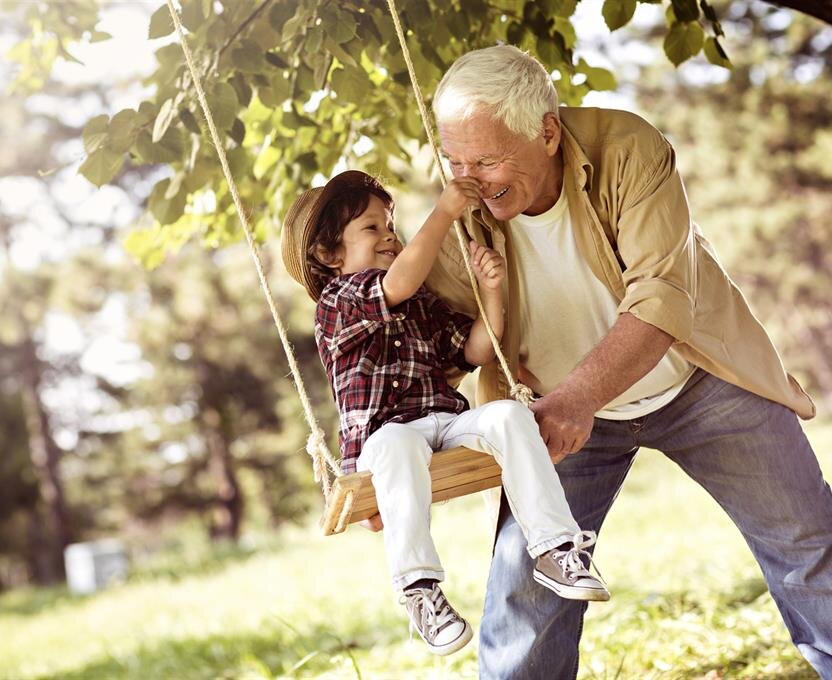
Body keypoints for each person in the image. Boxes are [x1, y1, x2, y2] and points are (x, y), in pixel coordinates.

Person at [421, 43, 832, 679]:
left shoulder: (629, 149)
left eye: (489, 159)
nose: (469, 178)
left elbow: (663, 298)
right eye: (455, 160)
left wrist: (576, 400)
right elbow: (429, 349)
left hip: (699, 382)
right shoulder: (458, 212)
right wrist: (393, 467)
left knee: (809, 546)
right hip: (552, 410)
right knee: (528, 594)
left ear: (548, 132)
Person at [280, 169, 610, 657]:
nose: (389, 234)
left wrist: (491, 290)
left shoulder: (418, 302)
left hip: (444, 421)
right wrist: (445, 210)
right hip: (385, 436)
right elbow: (397, 282)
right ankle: (419, 589)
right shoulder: (340, 301)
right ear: (331, 256)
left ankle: (556, 549)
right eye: (371, 227)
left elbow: (477, 350)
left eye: (390, 223)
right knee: (396, 445)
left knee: (507, 416)